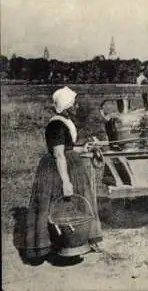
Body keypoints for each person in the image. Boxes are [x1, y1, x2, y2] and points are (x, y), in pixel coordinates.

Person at [20, 86, 103, 264]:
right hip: (57, 170)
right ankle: (55, 245)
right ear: (66, 106)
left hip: (69, 164)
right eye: (74, 103)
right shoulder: (56, 125)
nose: (77, 106)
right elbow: (58, 154)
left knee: (73, 204)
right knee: (54, 206)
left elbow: (67, 149)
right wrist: (65, 181)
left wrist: (83, 148)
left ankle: (76, 240)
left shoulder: (65, 121)